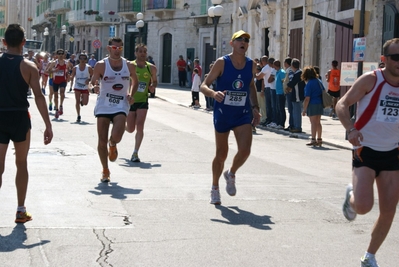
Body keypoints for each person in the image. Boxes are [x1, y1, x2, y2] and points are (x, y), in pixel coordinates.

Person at [336, 38, 399, 267]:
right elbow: (342, 104)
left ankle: (369, 256)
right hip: (366, 148)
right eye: (396, 57)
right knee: (363, 207)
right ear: (384, 59)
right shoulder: (371, 80)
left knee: (389, 210)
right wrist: (350, 129)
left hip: (393, 152)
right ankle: (350, 197)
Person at [200, 30, 261, 205]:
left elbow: (250, 86)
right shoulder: (222, 63)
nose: (244, 42)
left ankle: (231, 173)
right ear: (232, 43)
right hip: (223, 113)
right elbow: (204, 85)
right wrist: (213, 93)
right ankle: (214, 187)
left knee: (245, 150)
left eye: (247, 40)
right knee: (221, 154)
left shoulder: (251, 65)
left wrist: (255, 108)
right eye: (240, 39)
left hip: (242, 114)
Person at [0, 24, 53, 223]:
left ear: (4, 42)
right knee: (21, 163)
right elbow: (39, 97)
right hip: (20, 119)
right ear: (23, 42)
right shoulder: (29, 67)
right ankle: (20, 210)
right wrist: (48, 124)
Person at [91, 37, 138, 183]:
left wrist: (131, 94)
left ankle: (113, 144)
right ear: (109, 48)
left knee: (117, 135)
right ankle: (105, 170)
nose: (117, 51)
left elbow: (135, 81)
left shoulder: (129, 65)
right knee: (101, 140)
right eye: (114, 48)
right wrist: (94, 87)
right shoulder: (101, 65)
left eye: (120, 48)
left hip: (120, 104)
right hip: (104, 104)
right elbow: (92, 82)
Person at [125, 43, 157, 163]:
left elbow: (155, 81)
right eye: (140, 52)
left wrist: (152, 86)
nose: (143, 54)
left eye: (144, 52)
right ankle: (122, 126)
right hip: (130, 100)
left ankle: (135, 152)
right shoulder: (129, 66)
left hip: (143, 100)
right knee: (131, 128)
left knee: (140, 126)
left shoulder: (151, 68)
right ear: (135, 53)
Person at [301, 66, 324, 146]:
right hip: (320, 102)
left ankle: (313, 139)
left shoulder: (309, 83)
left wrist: (304, 110)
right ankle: (319, 139)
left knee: (313, 122)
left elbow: (307, 98)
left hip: (312, 103)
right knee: (318, 122)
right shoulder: (319, 81)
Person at [70, 53, 93, 123]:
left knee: (85, 103)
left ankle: (82, 102)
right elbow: (72, 76)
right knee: (77, 101)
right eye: (81, 59)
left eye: (84, 59)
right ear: (79, 59)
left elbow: (93, 76)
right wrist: (69, 77)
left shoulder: (89, 68)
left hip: (85, 87)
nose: (82, 60)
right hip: (77, 86)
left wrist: (89, 80)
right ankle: (78, 115)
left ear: (86, 60)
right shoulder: (75, 68)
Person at [46, 49, 68, 118]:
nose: (61, 56)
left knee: (62, 93)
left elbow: (69, 70)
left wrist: (69, 75)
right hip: (55, 81)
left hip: (63, 81)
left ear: (64, 55)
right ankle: (57, 110)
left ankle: (61, 105)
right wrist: (54, 70)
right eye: (59, 54)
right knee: (55, 96)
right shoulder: (54, 63)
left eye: (62, 54)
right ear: (57, 55)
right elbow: (47, 71)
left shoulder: (66, 63)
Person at [287, 58, 305, 133]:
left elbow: (292, 83)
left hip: (297, 94)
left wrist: (288, 85)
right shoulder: (297, 73)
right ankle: (295, 125)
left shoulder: (298, 73)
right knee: (294, 111)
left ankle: (297, 127)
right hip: (295, 94)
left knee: (297, 111)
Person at [274, 60, 286, 129]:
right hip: (277, 92)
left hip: (281, 92)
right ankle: (278, 122)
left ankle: (282, 123)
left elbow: (283, 82)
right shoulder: (277, 72)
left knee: (281, 109)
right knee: (278, 108)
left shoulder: (281, 72)